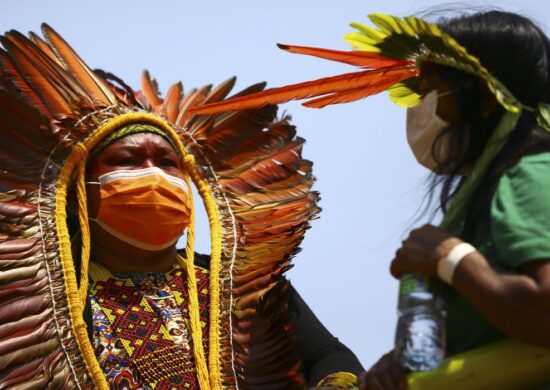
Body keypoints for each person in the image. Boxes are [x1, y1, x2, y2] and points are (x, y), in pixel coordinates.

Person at [191, 9, 550, 389]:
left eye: (429, 90)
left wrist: (448, 258)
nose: (418, 107)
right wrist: (402, 365)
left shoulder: (529, 174)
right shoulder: (487, 193)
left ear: (484, 100)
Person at [0, 25, 363, 388]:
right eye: (129, 161)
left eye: (167, 163)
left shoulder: (241, 287)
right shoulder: (50, 300)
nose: (153, 174)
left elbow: (328, 355)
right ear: (79, 188)